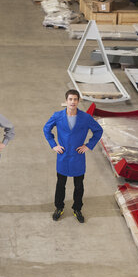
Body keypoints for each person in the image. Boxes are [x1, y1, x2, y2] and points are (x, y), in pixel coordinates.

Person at [43, 89, 103, 223]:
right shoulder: (58, 116)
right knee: (60, 184)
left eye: (75, 99)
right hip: (63, 156)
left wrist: (88, 145)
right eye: (70, 99)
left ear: (78, 101)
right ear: (66, 101)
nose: (72, 102)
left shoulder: (85, 118)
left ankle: (77, 209)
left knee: (79, 185)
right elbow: (46, 129)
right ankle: (59, 208)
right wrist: (54, 145)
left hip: (77, 156)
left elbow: (98, 131)